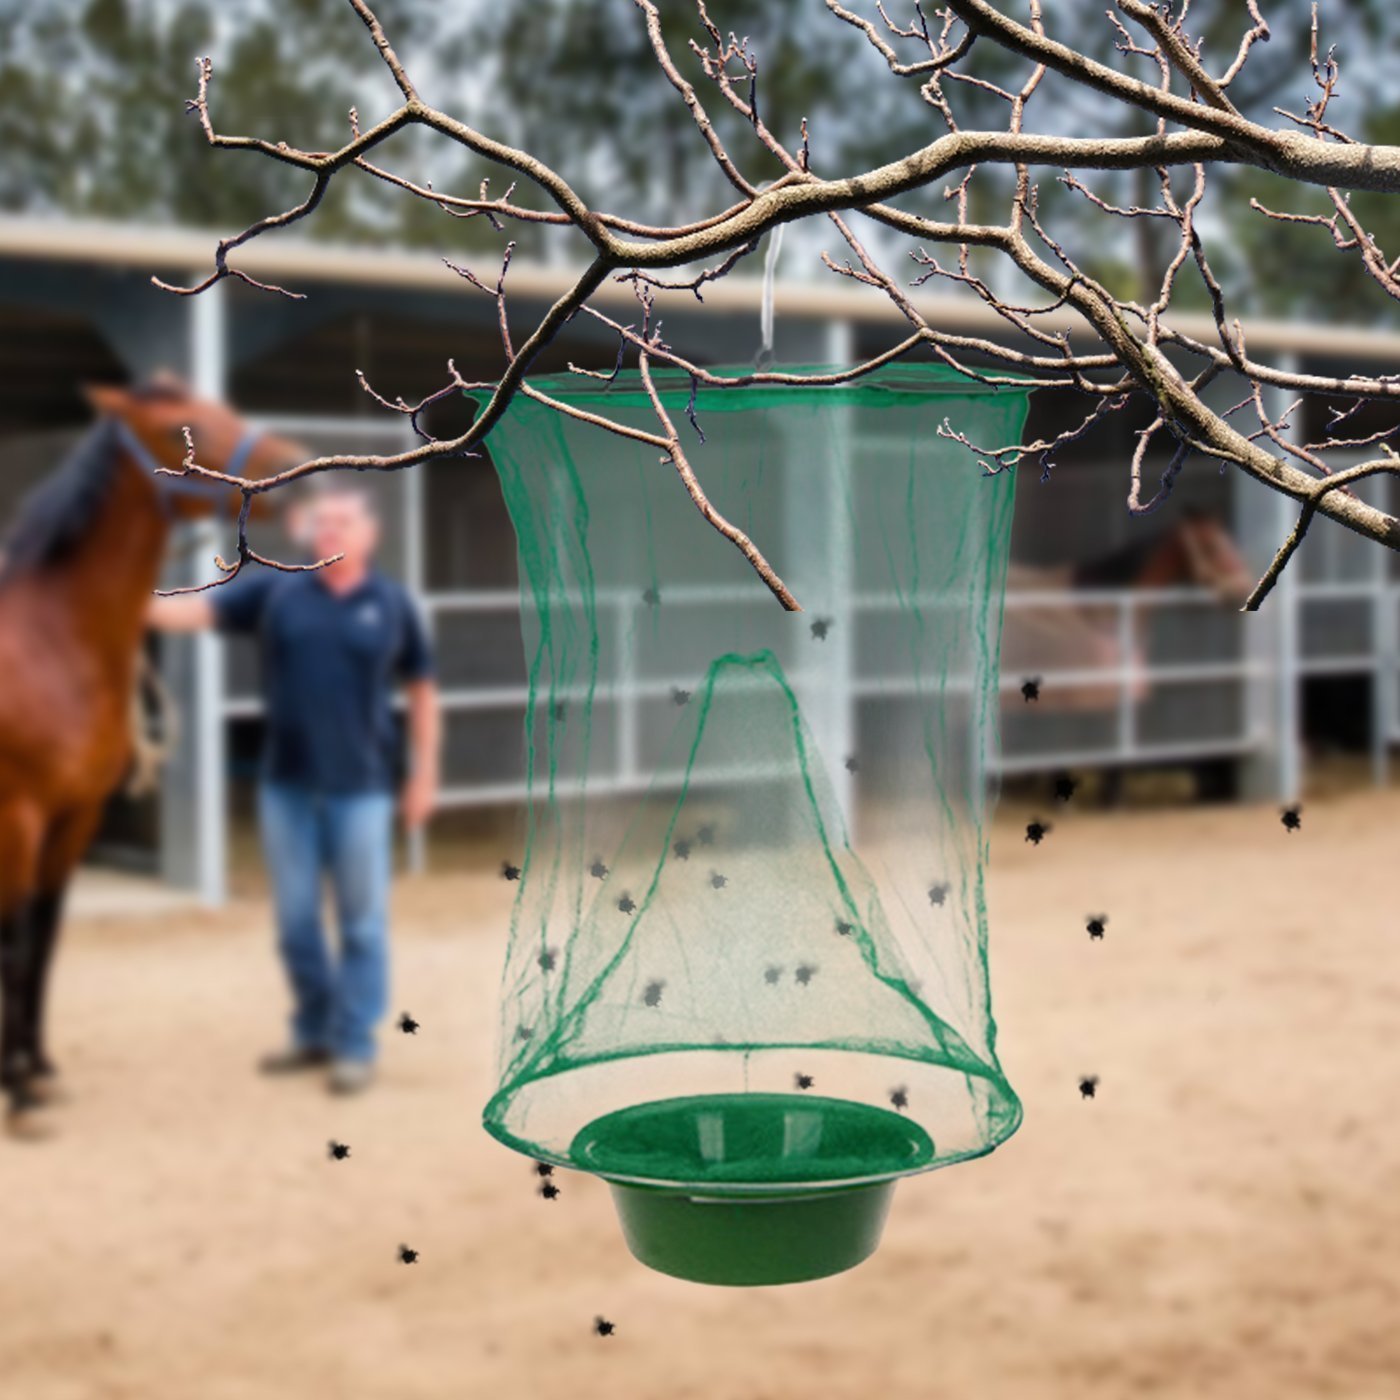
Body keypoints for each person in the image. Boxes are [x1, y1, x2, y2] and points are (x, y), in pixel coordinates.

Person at [148, 483, 440, 1094]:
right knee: (297, 921)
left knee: (361, 922)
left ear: (369, 533)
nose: (332, 531)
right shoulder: (276, 591)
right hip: (287, 787)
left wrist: (424, 774)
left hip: (362, 788)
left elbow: (422, 693)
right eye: (324, 521)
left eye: (345, 521)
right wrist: (108, 594)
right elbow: (189, 610)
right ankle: (313, 1030)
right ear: (310, 531)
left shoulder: (392, 606)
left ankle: (354, 1043)